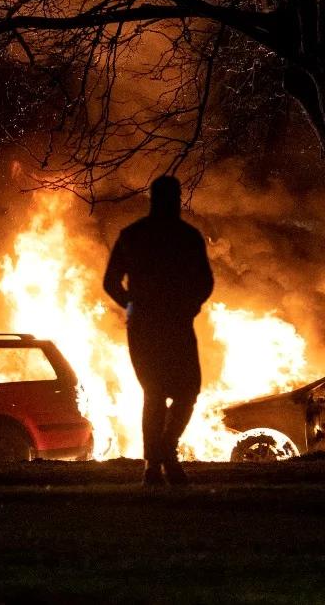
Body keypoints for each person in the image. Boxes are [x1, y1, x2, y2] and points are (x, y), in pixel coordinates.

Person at [103, 176, 214, 486]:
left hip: (147, 326)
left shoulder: (134, 235)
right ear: (175, 199)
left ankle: (158, 459)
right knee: (183, 392)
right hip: (172, 324)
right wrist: (191, 305)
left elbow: (111, 282)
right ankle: (163, 458)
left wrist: (130, 304)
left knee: (160, 394)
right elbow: (205, 282)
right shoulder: (186, 236)